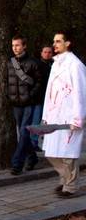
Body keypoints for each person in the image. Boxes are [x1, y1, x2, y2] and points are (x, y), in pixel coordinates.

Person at [42, 31, 86, 198]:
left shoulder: (76, 65)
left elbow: (81, 93)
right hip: (54, 115)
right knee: (52, 152)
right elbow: (49, 91)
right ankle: (65, 179)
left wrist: (78, 118)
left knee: (67, 154)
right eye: (54, 41)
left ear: (68, 43)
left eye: (58, 41)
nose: (55, 44)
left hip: (69, 115)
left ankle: (70, 186)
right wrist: (46, 115)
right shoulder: (56, 64)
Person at [7, 35, 42, 175]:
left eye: (18, 45)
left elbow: (39, 82)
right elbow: (7, 82)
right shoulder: (10, 63)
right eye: (13, 45)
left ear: (24, 46)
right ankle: (32, 158)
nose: (15, 48)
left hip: (29, 104)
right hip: (16, 104)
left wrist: (30, 95)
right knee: (23, 133)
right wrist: (9, 96)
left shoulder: (33, 63)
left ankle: (17, 164)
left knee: (23, 133)